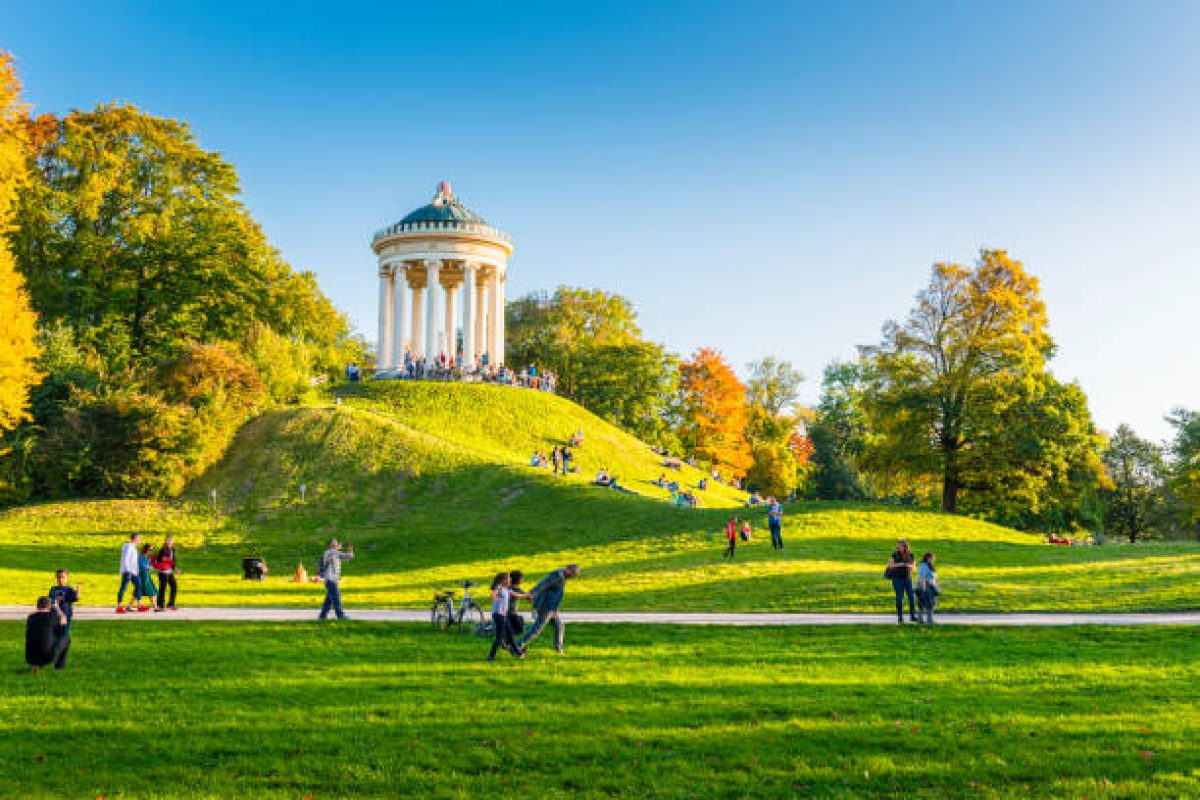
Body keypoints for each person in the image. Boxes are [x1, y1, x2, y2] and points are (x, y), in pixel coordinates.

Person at [515, 564, 579, 655]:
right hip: (546, 607)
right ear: (567, 569)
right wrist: (532, 594)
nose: (573, 576)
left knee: (559, 625)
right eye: (572, 573)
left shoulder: (562, 577)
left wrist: (556, 608)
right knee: (536, 630)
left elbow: (556, 593)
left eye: (575, 575)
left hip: (552, 608)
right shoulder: (557, 576)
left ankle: (558, 649)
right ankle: (518, 645)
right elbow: (543, 584)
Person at [26, 596, 70, 673]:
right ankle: (59, 667)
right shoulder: (52, 616)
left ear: (37, 606)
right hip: (48, 657)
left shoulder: (31, 617)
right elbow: (64, 620)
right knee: (65, 638)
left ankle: (35, 666)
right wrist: (57, 608)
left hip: (30, 658)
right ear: (49, 606)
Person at [318, 538, 355, 620]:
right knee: (336, 597)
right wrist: (338, 547)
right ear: (330, 545)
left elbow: (350, 556)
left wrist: (350, 548)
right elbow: (332, 553)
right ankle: (340, 616)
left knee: (329, 600)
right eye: (334, 543)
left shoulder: (337, 553)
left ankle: (322, 616)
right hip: (330, 579)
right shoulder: (328, 552)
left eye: (337, 542)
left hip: (334, 579)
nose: (336, 543)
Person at [885, 539, 919, 624]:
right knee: (899, 597)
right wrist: (900, 564)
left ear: (905, 546)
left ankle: (912, 616)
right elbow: (890, 565)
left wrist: (909, 565)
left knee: (911, 597)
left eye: (900, 545)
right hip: (897, 579)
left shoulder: (911, 555)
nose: (898, 547)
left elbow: (914, 567)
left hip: (908, 578)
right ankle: (900, 617)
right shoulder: (894, 555)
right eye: (898, 545)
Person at [487, 572, 516, 662]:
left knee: (510, 633)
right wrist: (495, 597)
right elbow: (494, 594)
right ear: (503, 580)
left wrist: (527, 596)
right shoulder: (499, 587)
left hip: (503, 615)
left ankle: (518, 651)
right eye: (508, 578)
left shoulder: (506, 589)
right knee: (499, 637)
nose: (510, 580)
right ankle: (491, 656)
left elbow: (516, 594)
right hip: (498, 615)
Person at [48, 569, 81, 637]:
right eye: (58, 577)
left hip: (65, 614)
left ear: (67, 578)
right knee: (54, 632)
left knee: (64, 632)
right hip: (55, 614)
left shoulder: (69, 589)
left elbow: (76, 598)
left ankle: (63, 644)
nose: (60, 579)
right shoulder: (53, 589)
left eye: (63, 577)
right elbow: (51, 601)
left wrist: (78, 589)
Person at [116, 532, 142, 613]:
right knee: (124, 587)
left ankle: (139, 605)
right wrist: (128, 570)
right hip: (128, 571)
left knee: (139, 585)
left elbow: (134, 561)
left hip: (133, 572)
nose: (139, 540)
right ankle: (119, 606)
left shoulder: (134, 548)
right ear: (135, 538)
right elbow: (126, 559)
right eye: (138, 538)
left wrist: (136, 571)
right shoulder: (129, 546)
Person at [153, 535, 179, 611]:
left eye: (171, 540)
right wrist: (165, 558)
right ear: (166, 541)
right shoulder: (163, 549)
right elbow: (158, 559)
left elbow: (172, 561)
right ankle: (160, 605)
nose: (170, 542)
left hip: (169, 571)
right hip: (163, 572)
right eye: (168, 540)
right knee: (162, 588)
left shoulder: (172, 549)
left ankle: (171, 604)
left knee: (174, 586)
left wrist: (175, 568)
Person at [917, 552, 940, 623]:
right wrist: (923, 589)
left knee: (928, 603)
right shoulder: (923, 566)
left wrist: (937, 586)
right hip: (925, 586)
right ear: (928, 558)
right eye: (932, 558)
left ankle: (924, 619)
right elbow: (923, 577)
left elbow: (934, 578)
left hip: (931, 586)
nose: (933, 560)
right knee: (927, 603)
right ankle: (927, 620)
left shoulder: (930, 566)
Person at [507, 570, 530, 640]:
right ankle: (507, 637)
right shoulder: (515, 589)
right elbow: (526, 597)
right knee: (519, 630)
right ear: (517, 580)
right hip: (511, 613)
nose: (522, 580)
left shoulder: (509, 587)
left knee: (518, 624)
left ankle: (507, 636)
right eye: (521, 578)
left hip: (509, 613)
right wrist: (529, 596)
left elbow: (526, 596)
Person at [136, 543, 158, 612]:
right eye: (150, 550)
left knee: (148, 591)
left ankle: (155, 607)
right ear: (146, 550)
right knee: (149, 591)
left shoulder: (148, 558)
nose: (150, 551)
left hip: (147, 576)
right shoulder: (140, 557)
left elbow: (150, 566)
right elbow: (142, 566)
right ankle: (155, 607)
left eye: (151, 550)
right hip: (142, 576)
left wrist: (152, 567)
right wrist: (149, 567)